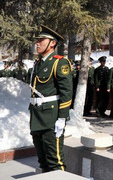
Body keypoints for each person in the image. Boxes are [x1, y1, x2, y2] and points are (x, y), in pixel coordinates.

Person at [29, 25, 72, 172]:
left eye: (41, 40)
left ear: (52, 43)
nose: (37, 43)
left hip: (51, 118)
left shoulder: (59, 63)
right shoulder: (39, 63)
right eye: (37, 40)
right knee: (42, 160)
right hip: (37, 116)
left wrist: (62, 118)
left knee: (55, 161)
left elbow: (66, 92)